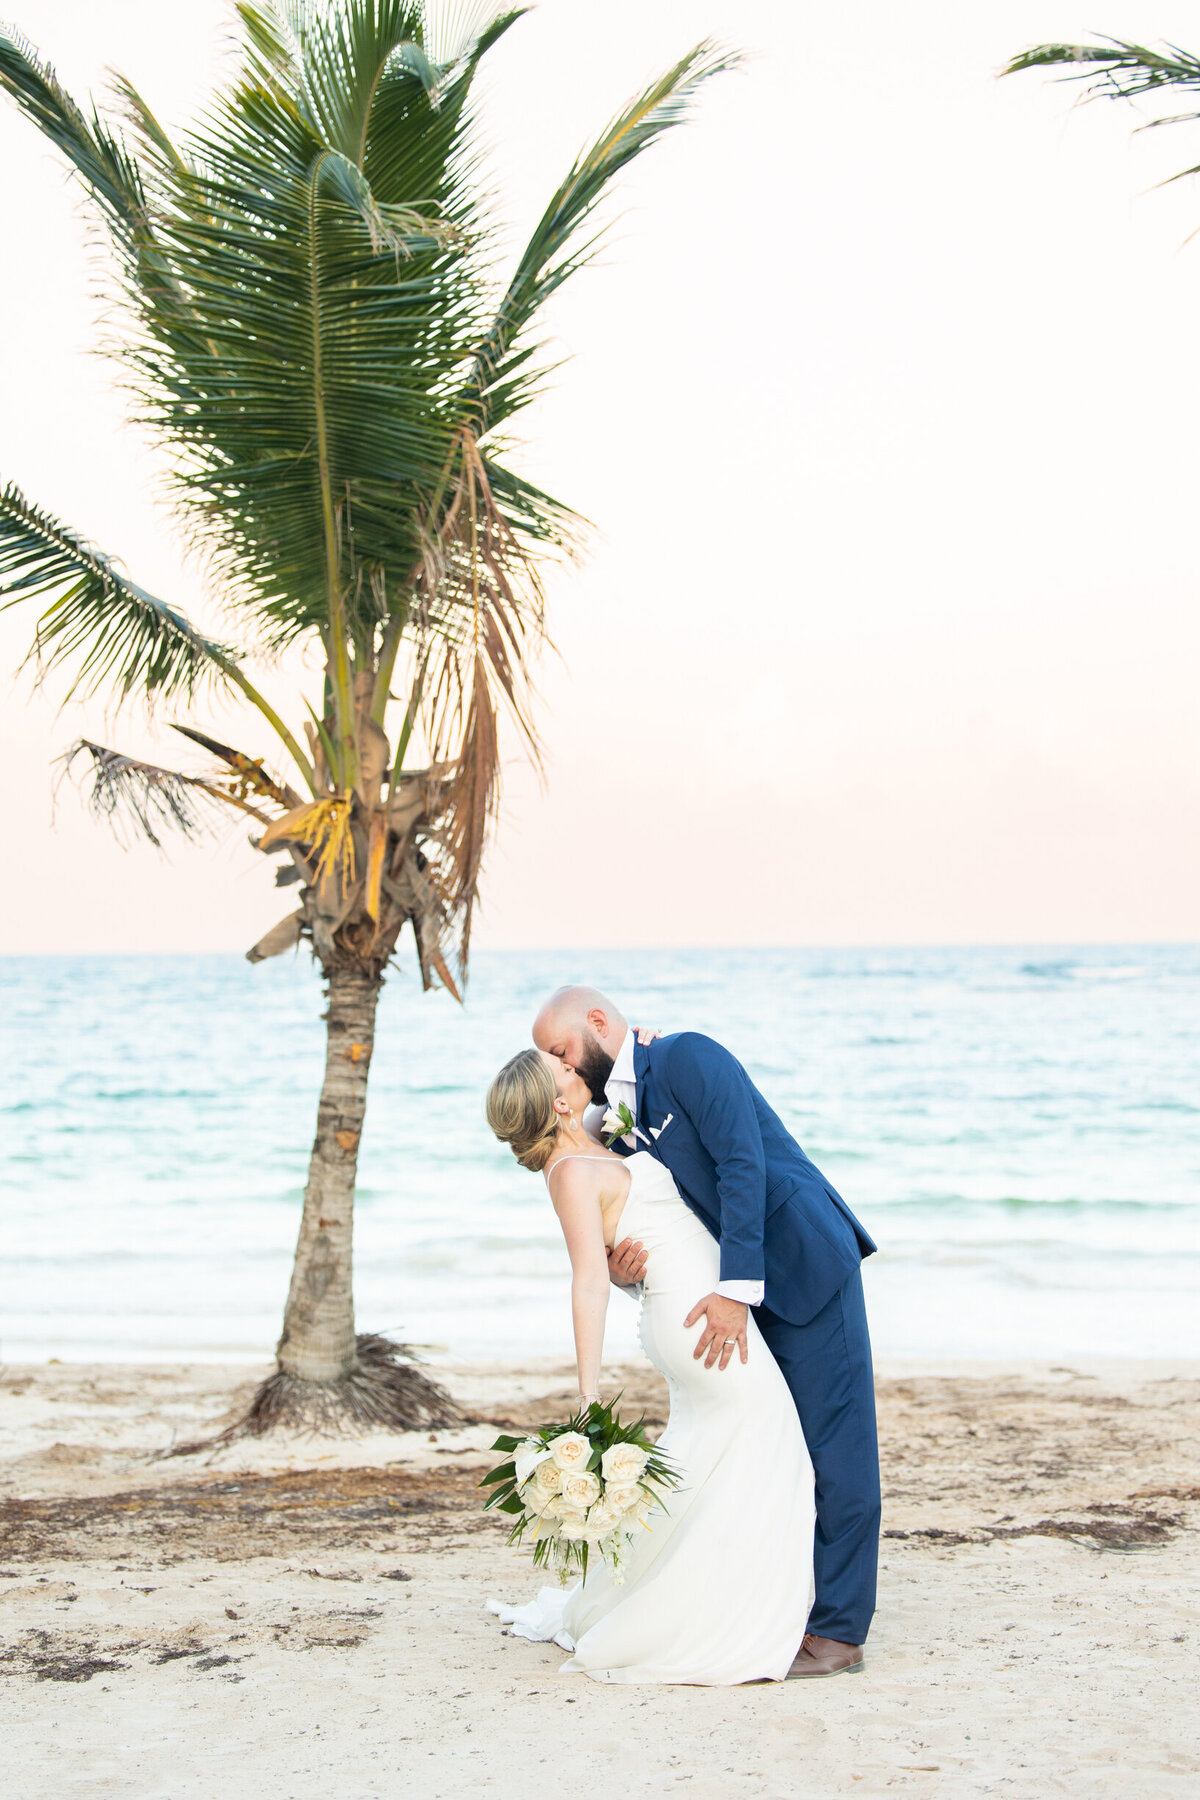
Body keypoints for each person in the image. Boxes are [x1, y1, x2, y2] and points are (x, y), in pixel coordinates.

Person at [530, 986, 880, 1680]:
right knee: (779, 1442)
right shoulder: (610, 1119)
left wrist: (732, 1293)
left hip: (800, 1264)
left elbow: (741, 1165)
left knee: (838, 1448)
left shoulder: (688, 1058)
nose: (557, 1066)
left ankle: (840, 1632)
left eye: (561, 1050)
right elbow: (655, 1218)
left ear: (599, 1025)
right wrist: (626, 1268)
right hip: (733, 1289)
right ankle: (790, 1597)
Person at [485, 1045, 813, 1684]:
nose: (576, 1070)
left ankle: (671, 1592)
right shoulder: (572, 1171)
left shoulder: (590, 1146)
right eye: (564, 1072)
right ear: (556, 1102)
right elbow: (586, 1282)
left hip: (686, 1312)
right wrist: (587, 1397)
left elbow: (636, 1235)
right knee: (770, 1443)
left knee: (707, 1460)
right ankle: (709, 1615)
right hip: (696, 1323)